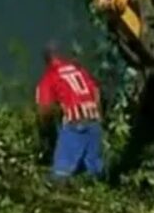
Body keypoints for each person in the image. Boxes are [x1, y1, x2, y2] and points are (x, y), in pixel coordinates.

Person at [35, 42, 104, 180]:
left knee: (60, 175)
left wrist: (45, 130)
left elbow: (45, 109)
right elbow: (96, 91)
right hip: (93, 121)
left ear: (46, 59)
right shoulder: (79, 70)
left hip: (75, 124)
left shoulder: (50, 76)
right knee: (95, 174)